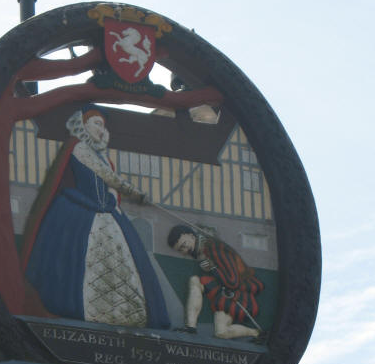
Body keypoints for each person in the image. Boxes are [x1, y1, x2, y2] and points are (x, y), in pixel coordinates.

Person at [21, 105, 170, 329]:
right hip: (81, 209)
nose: (101, 129)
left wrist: (113, 199)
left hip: (106, 212)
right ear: (83, 124)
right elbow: (109, 177)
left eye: (103, 125)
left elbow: (109, 186)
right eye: (96, 124)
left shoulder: (101, 156)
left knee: (124, 263)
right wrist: (136, 193)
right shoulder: (80, 148)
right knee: (81, 261)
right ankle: (86, 310)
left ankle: (123, 314)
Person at [167, 224, 263, 339]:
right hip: (222, 287)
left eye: (184, 245)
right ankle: (190, 327)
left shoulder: (214, 248)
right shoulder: (200, 251)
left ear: (191, 236)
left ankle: (256, 333)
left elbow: (233, 282)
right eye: (180, 250)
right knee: (195, 281)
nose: (184, 251)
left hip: (237, 292)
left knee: (221, 333)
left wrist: (212, 268)